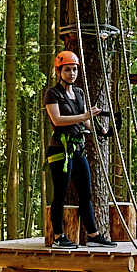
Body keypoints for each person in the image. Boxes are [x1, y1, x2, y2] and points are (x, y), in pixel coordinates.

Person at [40, 48, 106, 248]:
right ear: (59, 71)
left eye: (74, 70)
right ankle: (59, 236)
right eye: (67, 70)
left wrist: (97, 129)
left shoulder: (78, 92)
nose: (72, 73)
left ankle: (93, 235)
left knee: (85, 193)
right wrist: (85, 117)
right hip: (60, 150)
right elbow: (58, 120)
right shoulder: (52, 93)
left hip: (77, 150)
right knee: (60, 193)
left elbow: (84, 120)